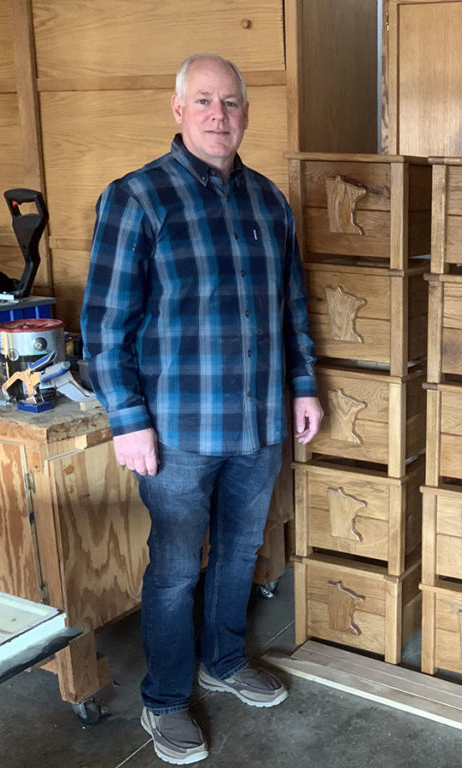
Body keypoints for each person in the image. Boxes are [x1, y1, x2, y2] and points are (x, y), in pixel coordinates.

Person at [81, 53, 322, 765]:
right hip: (176, 432)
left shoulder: (269, 201)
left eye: (233, 103)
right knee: (177, 566)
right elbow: (104, 327)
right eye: (206, 101)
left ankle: (224, 659)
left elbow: (292, 307)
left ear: (247, 113)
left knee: (241, 552)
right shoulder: (138, 198)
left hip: (259, 425)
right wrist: (126, 420)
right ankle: (164, 699)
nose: (221, 115)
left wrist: (303, 383)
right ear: (179, 110)